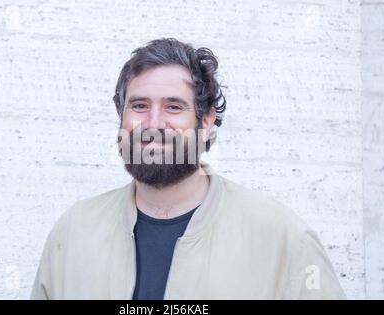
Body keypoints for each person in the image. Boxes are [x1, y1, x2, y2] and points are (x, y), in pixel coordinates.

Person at [30, 38, 346, 299]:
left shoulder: (281, 237)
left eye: (174, 106)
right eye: (139, 106)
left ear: (206, 122)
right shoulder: (74, 233)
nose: (153, 124)